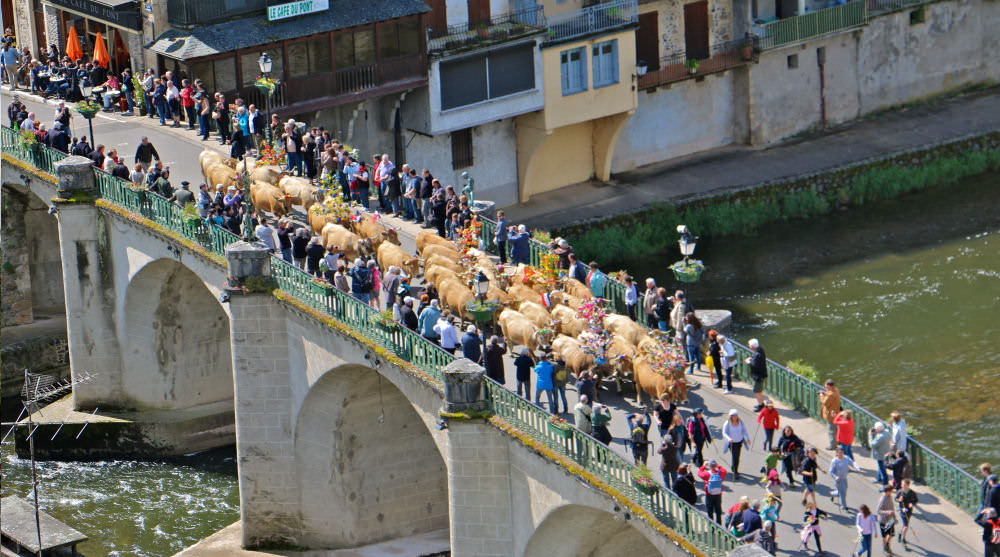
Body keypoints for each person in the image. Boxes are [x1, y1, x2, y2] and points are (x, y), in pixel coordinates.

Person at [828, 446, 862, 511]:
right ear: (837, 453)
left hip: (844, 478)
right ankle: (844, 506)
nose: (841, 454)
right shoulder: (834, 461)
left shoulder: (846, 458)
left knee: (842, 492)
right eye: (839, 453)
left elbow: (852, 463)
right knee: (843, 493)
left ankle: (832, 494)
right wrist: (836, 477)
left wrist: (858, 469)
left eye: (842, 452)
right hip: (839, 480)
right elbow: (831, 471)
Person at [697, 459, 727, 524]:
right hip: (718, 494)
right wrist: (717, 465)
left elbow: (699, 473)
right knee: (718, 510)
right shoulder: (721, 473)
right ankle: (719, 524)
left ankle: (711, 525)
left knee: (710, 510)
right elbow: (724, 470)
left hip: (709, 494)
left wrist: (703, 466)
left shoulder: (707, 474)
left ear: (709, 466)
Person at [722, 408, 749, 479]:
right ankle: (735, 472)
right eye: (733, 415)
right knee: (735, 457)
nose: (735, 417)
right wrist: (729, 438)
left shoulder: (740, 422)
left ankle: (733, 467)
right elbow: (724, 432)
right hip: (732, 443)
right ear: (730, 416)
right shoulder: (727, 423)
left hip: (739, 442)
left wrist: (748, 438)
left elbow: (744, 430)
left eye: (736, 415)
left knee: (737, 456)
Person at [745, 338, 768, 410]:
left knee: (756, 391)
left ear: (752, 346)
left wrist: (748, 361)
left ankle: (761, 405)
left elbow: (754, 365)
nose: (749, 346)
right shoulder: (760, 350)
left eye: (749, 345)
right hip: (761, 374)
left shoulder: (757, 354)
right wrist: (752, 359)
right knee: (758, 390)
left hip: (758, 376)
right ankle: (761, 403)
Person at [819, 379, 842, 450]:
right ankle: (838, 441)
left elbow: (825, 403)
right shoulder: (836, 390)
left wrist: (821, 395)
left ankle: (832, 445)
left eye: (826, 386)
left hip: (830, 414)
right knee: (835, 428)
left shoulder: (830, 394)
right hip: (836, 412)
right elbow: (830, 395)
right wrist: (825, 393)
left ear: (829, 386)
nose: (825, 387)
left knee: (831, 430)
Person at [896, 478, 918, 549]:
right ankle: (903, 538)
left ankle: (900, 533)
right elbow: (895, 499)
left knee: (905, 524)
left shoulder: (912, 492)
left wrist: (912, 504)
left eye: (904, 485)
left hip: (909, 511)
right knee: (906, 525)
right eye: (902, 484)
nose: (903, 486)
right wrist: (899, 499)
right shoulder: (900, 492)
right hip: (902, 510)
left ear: (908, 485)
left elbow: (916, 500)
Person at [869, 422, 893, 487]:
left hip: (880, 455)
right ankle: (878, 479)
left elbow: (872, 445)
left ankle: (885, 485)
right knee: (881, 467)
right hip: (886, 453)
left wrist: (870, 435)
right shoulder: (887, 432)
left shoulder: (880, 437)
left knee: (883, 470)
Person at [877, 484, 898, 554]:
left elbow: (892, 508)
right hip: (883, 520)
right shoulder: (882, 499)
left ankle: (887, 545)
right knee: (884, 536)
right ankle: (885, 548)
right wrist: (887, 512)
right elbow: (878, 511)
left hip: (890, 519)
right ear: (887, 491)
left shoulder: (890, 497)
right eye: (891, 491)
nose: (892, 492)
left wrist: (894, 517)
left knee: (892, 534)